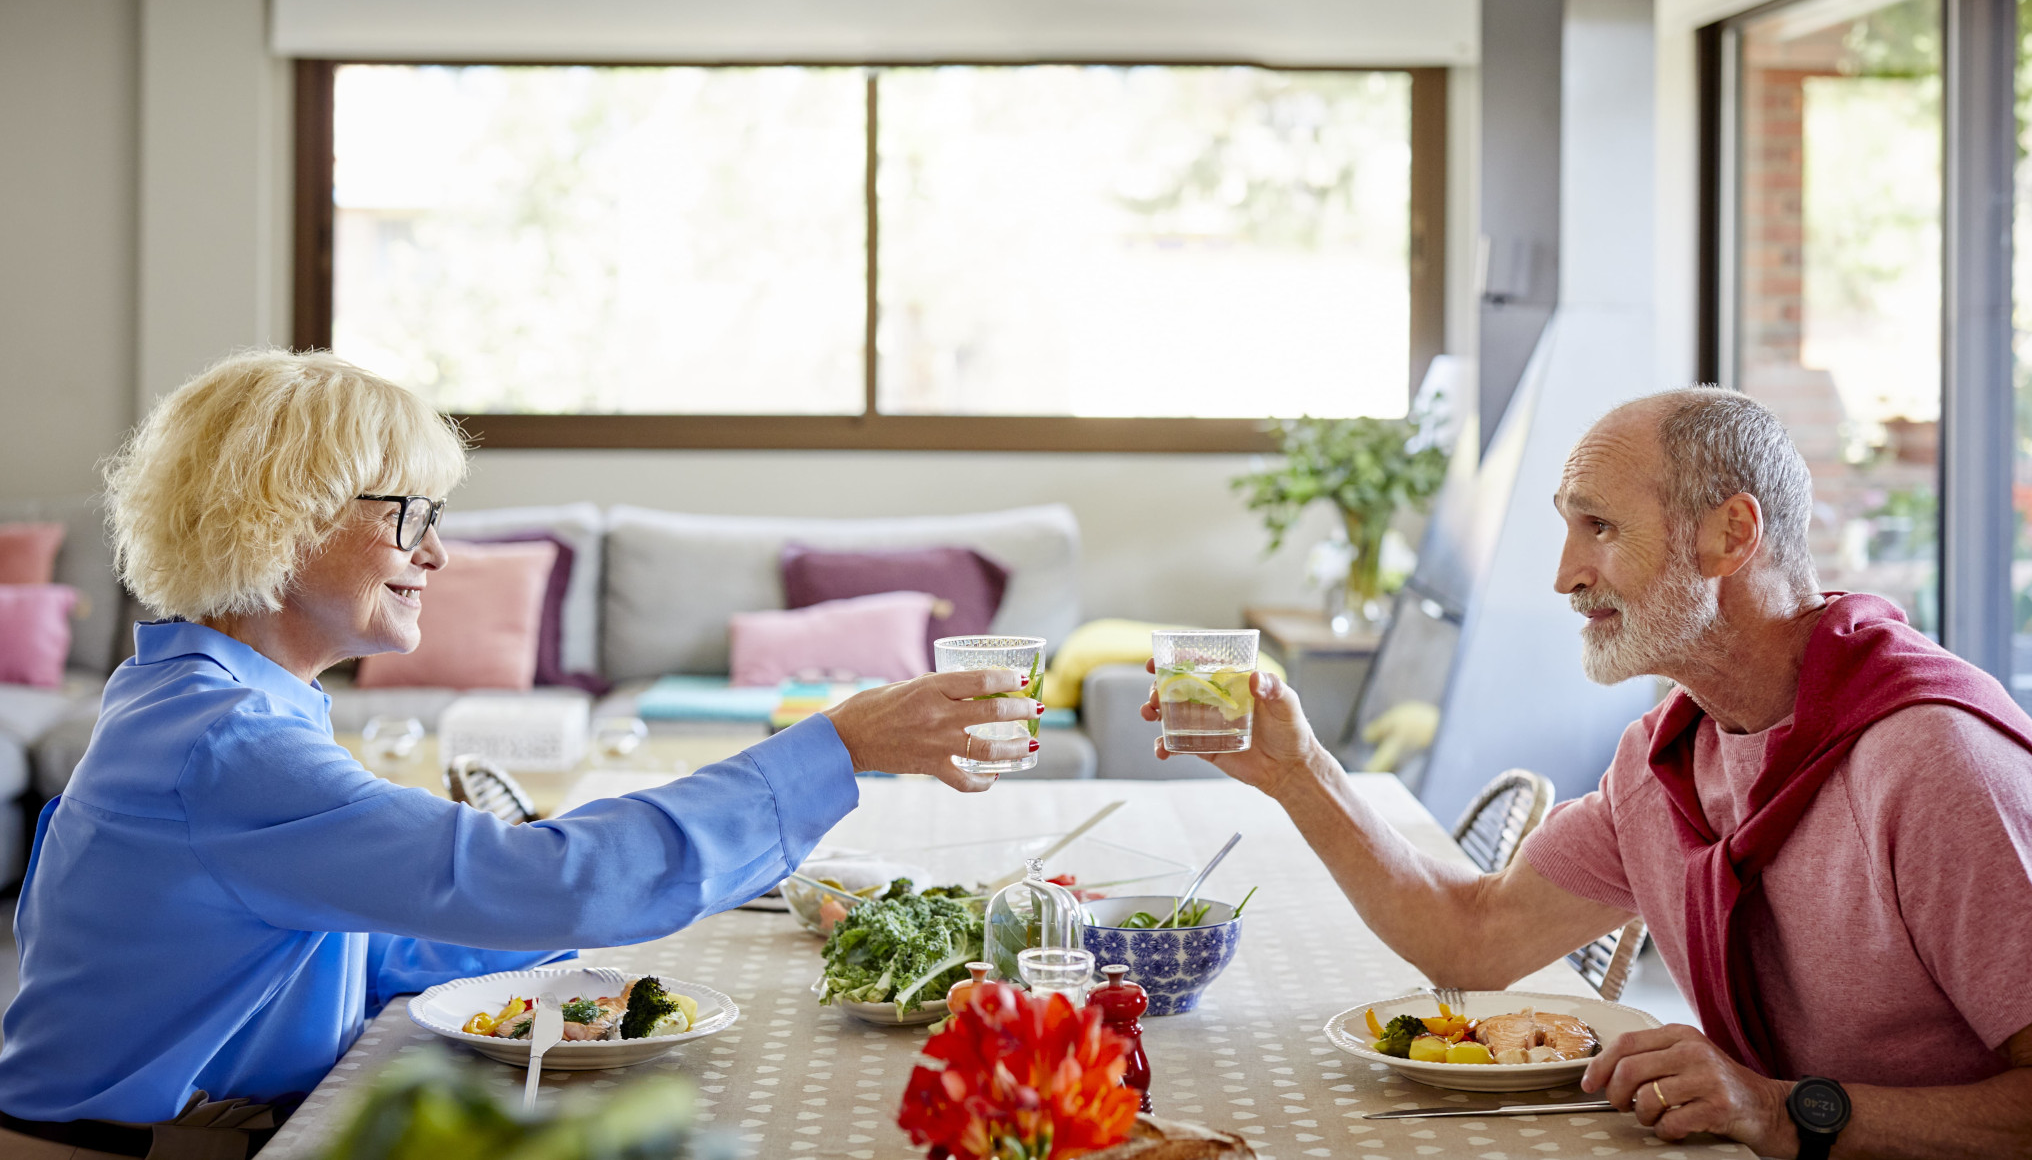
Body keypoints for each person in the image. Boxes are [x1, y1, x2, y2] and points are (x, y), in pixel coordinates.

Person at [0, 350, 1035, 1148]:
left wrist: (595, 925)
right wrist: (839, 747)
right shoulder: (225, 746)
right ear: (282, 518)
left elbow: (381, 940)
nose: (438, 552)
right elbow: (550, 882)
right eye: (409, 513)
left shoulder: (205, 703)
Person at [1143, 387, 2032, 1158]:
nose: (1565, 575)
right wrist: (1300, 771)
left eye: (1599, 527)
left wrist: (1783, 1111)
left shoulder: (1932, 761)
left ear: (1732, 534)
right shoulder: (1671, 762)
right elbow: (1474, 938)